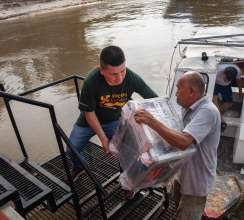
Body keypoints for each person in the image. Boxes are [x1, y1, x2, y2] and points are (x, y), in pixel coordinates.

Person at [64, 45, 158, 199]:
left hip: (114, 120)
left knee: (126, 151)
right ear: (101, 70)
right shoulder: (91, 82)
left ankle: (128, 181)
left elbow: (153, 99)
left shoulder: (132, 78)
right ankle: (79, 167)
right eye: (113, 74)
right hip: (88, 121)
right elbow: (89, 113)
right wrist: (103, 139)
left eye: (122, 71)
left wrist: (161, 125)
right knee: (71, 148)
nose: (119, 78)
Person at [134, 71, 220, 220]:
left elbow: (183, 142)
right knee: (177, 204)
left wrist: (152, 121)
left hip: (196, 179)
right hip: (183, 172)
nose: (175, 94)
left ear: (192, 91)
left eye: (179, 88)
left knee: (188, 214)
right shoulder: (190, 107)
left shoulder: (207, 111)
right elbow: (176, 131)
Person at [212, 63, 243, 132]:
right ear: (223, 72)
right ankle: (220, 120)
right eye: (225, 79)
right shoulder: (217, 70)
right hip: (215, 83)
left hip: (226, 86)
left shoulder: (238, 71)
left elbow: (239, 79)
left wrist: (240, 90)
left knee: (229, 103)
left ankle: (217, 115)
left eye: (229, 80)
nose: (225, 80)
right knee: (215, 102)